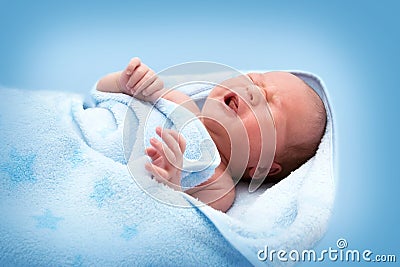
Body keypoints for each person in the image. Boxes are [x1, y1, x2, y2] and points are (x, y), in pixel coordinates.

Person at [96, 57, 326, 212]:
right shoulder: (181, 102)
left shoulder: (219, 186)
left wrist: (169, 181)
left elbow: (176, 218)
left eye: (267, 107)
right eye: (255, 80)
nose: (253, 91)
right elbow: (101, 91)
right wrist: (125, 82)